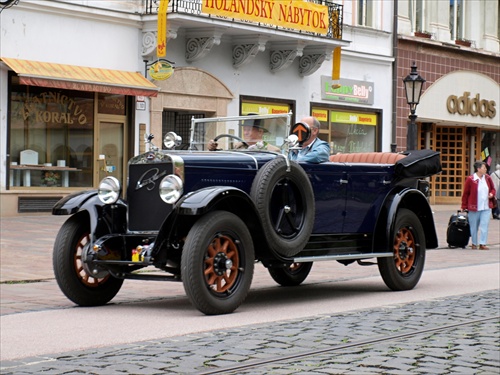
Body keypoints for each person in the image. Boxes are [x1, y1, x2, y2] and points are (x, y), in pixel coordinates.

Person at [461, 161, 497, 250]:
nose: (485, 169)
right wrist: (463, 206)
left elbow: (493, 189)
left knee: (484, 225)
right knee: (474, 226)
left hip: (486, 206)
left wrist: (491, 194)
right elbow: (466, 193)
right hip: (474, 207)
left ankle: (482, 243)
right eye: (484, 168)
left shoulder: (488, 178)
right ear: (478, 169)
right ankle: (474, 243)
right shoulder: (471, 179)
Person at [208, 116, 280, 152]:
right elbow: (229, 158)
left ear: (260, 132)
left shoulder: (273, 151)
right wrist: (214, 149)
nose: (245, 133)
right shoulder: (238, 146)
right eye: (244, 129)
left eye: (249, 130)